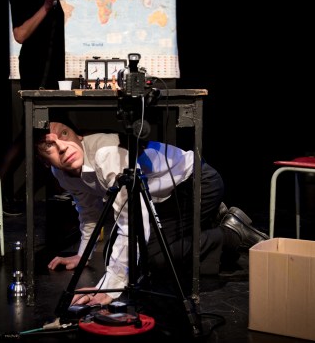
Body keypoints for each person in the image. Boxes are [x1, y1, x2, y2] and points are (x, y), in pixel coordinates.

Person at [36, 121, 269, 306]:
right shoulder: (62, 173)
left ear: (79, 135)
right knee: (117, 256)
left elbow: (132, 220)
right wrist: (83, 255)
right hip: (161, 200)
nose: (62, 147)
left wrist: (110, 287)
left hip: (196, 185)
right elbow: (88, 212)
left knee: (153, 261)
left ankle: (231, 232)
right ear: (44, 162)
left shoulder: (106, 154)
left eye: (64, 134)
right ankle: (208, 221)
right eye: (49, 146)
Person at [0, 0, 66, 215]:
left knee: (41, 129)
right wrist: (45, 6)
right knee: (31, 128)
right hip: (35, 69)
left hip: (53, 72)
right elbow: (20, 34)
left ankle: (56, 187)